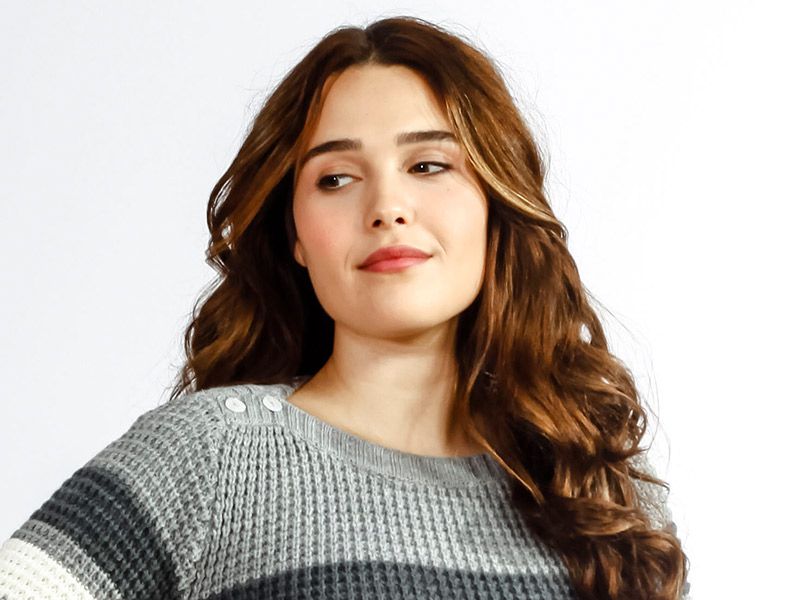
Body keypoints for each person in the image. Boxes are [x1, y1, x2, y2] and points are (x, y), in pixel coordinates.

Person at [0, 15, 690, 600]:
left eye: (428, 166)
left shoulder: (601, 495)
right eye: (335, 178)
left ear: (495, 203)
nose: (387, 207)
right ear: (296, 236)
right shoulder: (212, 457)